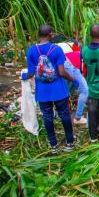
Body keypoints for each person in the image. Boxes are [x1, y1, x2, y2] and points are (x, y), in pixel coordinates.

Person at [26, 24, 75, 153]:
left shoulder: (31, 50)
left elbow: (31, 73)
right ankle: (70, 142)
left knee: (47, 116)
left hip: (42, 91)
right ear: (50, 35)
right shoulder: (56, 49)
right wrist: (73, 80)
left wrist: (24, 76)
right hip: (58, 89)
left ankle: (53, 145)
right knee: (64, 114)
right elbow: (62, 72)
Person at [53, 36, 89, 125]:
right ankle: (78, 117)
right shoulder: (78, 50)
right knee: (85, 90)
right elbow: (82, 70)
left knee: (65, 88)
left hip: (56, 64)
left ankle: (57, 113)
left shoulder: (63, 46)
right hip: (66, 64)